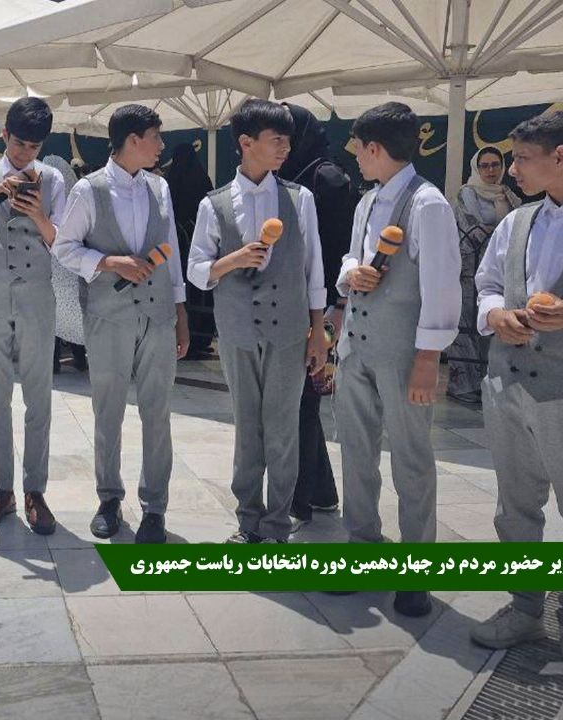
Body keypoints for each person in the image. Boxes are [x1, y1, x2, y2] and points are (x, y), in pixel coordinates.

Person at [335, 102, 461, 617]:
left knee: (411, 458)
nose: (356, 159)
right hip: (357, 345)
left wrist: (428, 359)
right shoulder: (368, 200)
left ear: (374, 148)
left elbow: (442, 284)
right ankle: (362, 547)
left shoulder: (428, 204)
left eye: (358, 149)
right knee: (356, 451)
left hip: (404, 350)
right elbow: (351, 255)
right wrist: (352, 273)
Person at [188, 100, 328, 545]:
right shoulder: (213, 204)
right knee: (247, 427)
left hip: (288, 329)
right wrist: (233, 260)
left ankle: (278, 523)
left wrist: (319, 333)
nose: (285, 148)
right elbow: (196, 270)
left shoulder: (300, 198)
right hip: (237, 330)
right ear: (247, 143)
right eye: (277, 140)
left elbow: (314, 269)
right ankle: (248, 519)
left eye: (288, 140)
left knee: (283, 428)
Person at [54, 104, 191, 544]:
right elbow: (64, 248)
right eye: (156, 137)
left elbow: (171, 252)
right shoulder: (88, 190)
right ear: (133, 140)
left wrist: (181, 313)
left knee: (158, 411)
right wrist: (110, 262)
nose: (161, 145)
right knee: (107, 409)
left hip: (158, 314)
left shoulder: (160, 187)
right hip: (108, 316)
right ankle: (109, 498)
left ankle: (155, 507)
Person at [470, 111, 563, 650]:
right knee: (515, 506)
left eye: (523, 158)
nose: (511, 169)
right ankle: (525, 606)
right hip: (507, 382)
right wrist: (495, 313)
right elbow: (486, 282)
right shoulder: (517, 221)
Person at [0, 98, 67, 535]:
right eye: (20, 144)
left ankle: (35, 491)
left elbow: (63, 245)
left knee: (39, 395)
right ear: (4, 135)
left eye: (34, 147)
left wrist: (38, 213)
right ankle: (2, 489)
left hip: (37, 293)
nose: (25, 154)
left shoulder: (54, 179)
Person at [278, 102, 356, 532]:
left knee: (303, 402)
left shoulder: (326, 178)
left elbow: (341, 249)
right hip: (299, 305)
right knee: (301, 398)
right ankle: (321, 491)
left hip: (324, 307)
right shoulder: (290, 176)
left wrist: (336, 308)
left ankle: (298, 502)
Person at [447, 146, 521, 404]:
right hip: (469, 270)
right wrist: (499, 234)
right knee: (466, 325)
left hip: (500, 272)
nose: (490, 170)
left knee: (492, 325)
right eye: (485, 165)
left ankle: (490, 383)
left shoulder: (509, 195)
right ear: (476, 168)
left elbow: (518, 230)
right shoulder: (466, 195)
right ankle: (463, 385)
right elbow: (470, 229)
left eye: (495, 165)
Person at [166, 142, 215, 360]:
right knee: (200, 290)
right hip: (199, 242)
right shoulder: (202, 178)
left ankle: (181, 336)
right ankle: (201, 338)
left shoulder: (170, 180)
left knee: (182, 291)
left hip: (177, 245)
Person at [42, 154, 87, 372]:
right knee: (73, 309)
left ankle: (52, 362)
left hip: (49, 267)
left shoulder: (44, 200)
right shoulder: (78, 200)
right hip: (72, 266)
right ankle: (80, 357)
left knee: (51, 315)